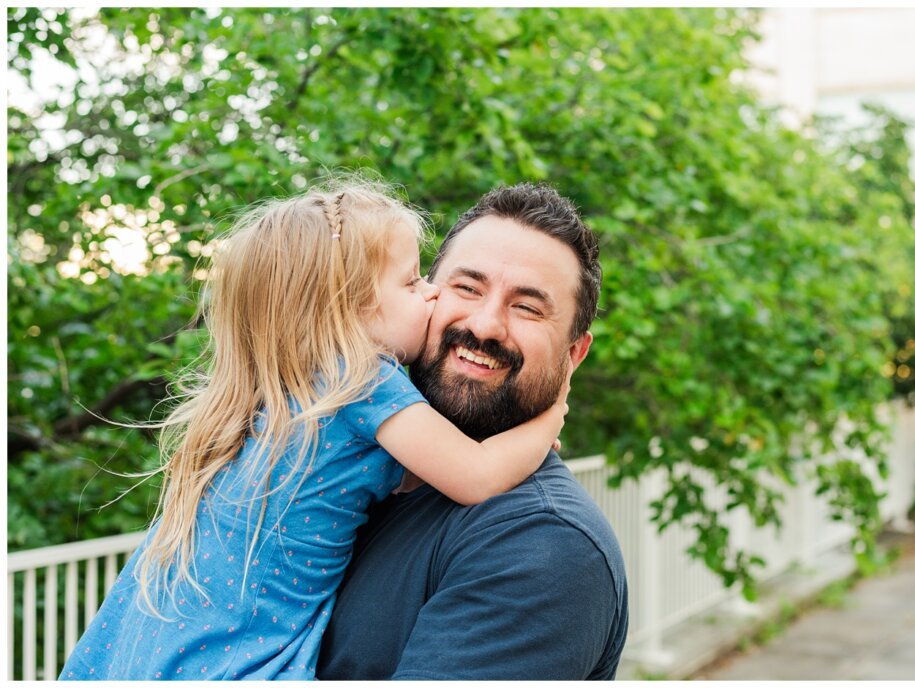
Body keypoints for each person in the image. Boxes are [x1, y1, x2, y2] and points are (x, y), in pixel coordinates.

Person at [58, 178, 572, 680]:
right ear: (352, 308)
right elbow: (476, 476)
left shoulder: (292, 387)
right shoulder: (365, 382)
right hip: (237, 660)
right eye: (412, 282)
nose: (434, 294)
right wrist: (553, 412)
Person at [317, 183, 629, 680]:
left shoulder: (542, 547)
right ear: (422, 294)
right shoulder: (343, 465)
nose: (485, 326)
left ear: (575, 355)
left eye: (527, 307)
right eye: (467, 288)